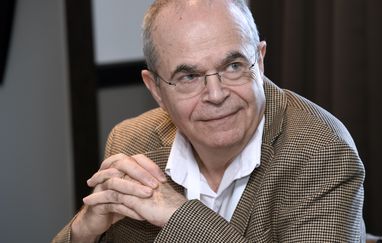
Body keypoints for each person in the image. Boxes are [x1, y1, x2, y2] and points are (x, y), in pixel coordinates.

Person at [53, 0, 365, 242]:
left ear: (260, 60)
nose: (216, 95)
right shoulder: (132, 142)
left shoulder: (322, 151)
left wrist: (179, 215)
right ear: (156, 89)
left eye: (232, 66)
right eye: (188, 76)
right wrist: (83, 232)